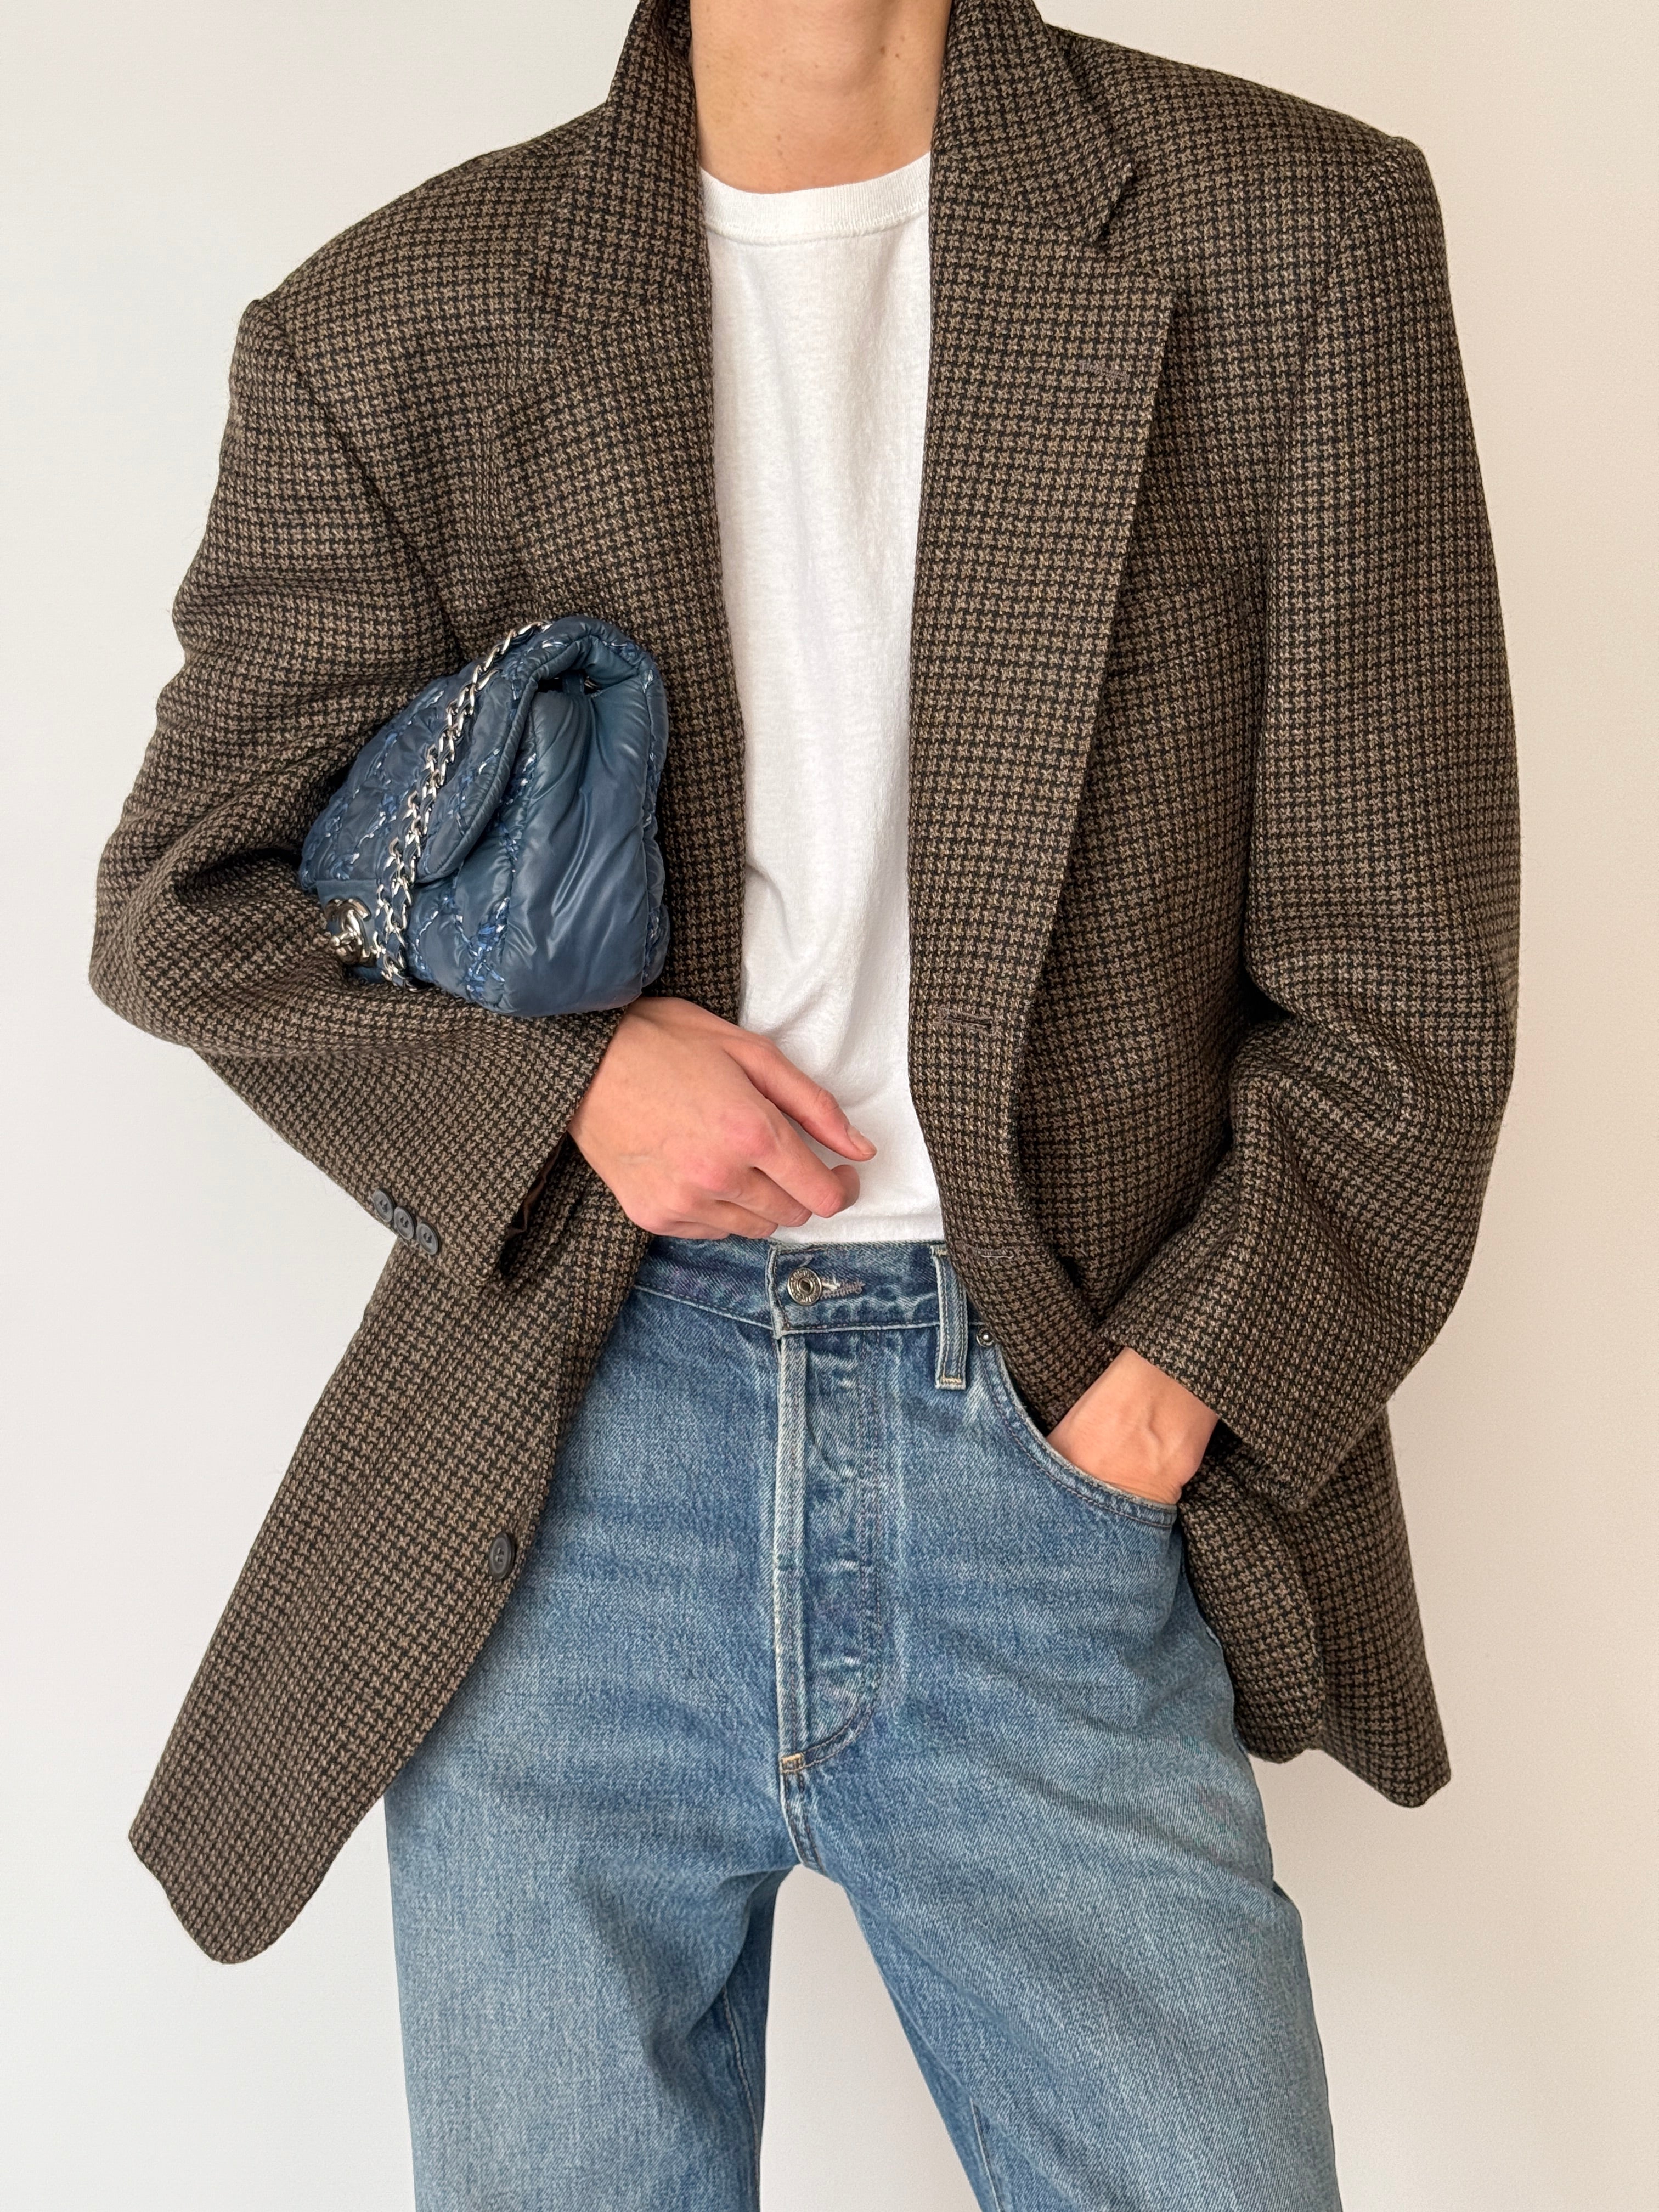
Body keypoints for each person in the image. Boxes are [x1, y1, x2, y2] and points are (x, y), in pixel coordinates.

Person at [90, 0, 1519, 2203]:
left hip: (1049, 1439)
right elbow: (187, 909)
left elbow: (1399, 983)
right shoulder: (400, 319)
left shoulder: (1292, 237)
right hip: (565, 1475)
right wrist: (574, 1084)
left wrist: (1169, 1399)